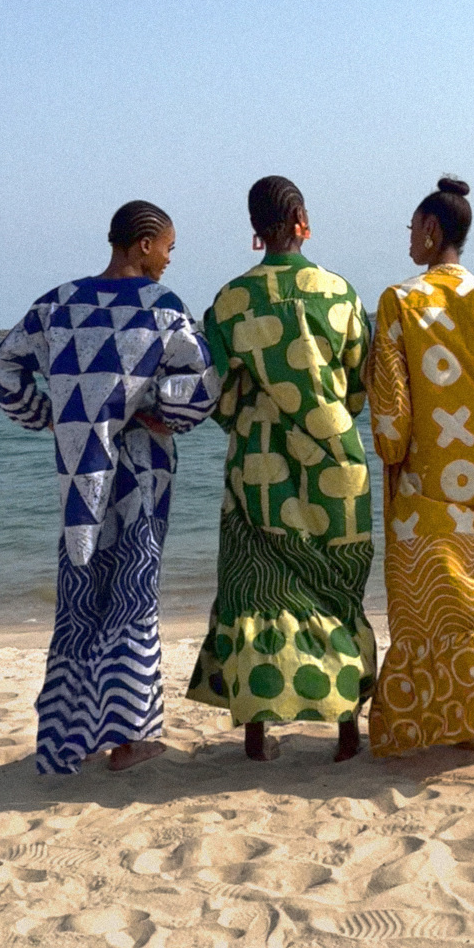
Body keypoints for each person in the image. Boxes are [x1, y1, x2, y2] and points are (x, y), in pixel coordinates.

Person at [0, 201, 220, 773]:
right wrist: (160, 412)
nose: (169, 257)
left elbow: (4, 366)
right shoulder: (163, 309)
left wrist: (52, 416)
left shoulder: (58, 303)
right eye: (168, 245)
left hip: (78, 479)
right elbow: (205, 384)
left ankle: (68, 740)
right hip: (141, 476)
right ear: (143, 245)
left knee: (79, 599)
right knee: (132, 598)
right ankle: (130, 740)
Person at [185, 176, 378, 762]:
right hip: (336, 464)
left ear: (254, 227)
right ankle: (347, 732)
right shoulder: (340, 293)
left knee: (255, 591)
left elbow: (213, 394)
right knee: (336, 589)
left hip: (257, 464)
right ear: (300, 219)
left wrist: (252, 419)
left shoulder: (228, 301)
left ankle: (256, 734)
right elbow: (360, 383)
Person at [364, 176, 474, 756]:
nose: (409, 240)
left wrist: (395, 458)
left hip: (427, 488)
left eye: (412, 228)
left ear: (432, 229)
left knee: (434, 609)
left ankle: (453, 726)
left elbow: (391, 413)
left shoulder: (399, 301)